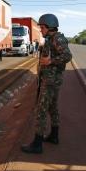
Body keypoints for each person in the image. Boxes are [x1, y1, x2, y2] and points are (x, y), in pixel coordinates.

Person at [21, 13, 72, 154]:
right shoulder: (51, 39)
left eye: (42, 27)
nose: (41, 30)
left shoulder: (57, 38)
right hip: (51, 80)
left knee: (41, 110)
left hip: (50, 81)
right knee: (52, 108)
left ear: (49, 27)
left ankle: (37, 144)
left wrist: (50, 61)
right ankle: (54, 136)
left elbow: (67, 55)